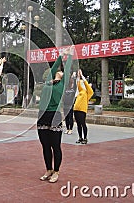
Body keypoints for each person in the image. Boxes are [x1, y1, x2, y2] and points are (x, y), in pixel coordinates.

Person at [38, 46, 74, 183]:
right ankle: (48, 169)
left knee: (55, 146)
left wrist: (69, 56)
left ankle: (56, 171)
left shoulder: (63, 84)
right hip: (42, 115)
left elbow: (68, 68)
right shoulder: (48, 82)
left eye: (61, 72)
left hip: (55, 116)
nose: (59, 72)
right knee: (45, 145)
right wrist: (60, 55)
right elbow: (53, 69)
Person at [73, 69, 94, 144]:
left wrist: (82, 76)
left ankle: (85, 138)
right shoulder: (81, 91)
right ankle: (80, 137)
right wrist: (78, 77)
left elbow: (87, 85)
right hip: (76, 109)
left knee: (83, 123)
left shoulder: (89, 93)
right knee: (78, 124)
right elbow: (78, 84)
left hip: (82, 110)